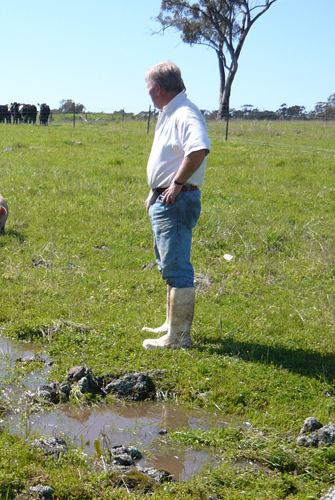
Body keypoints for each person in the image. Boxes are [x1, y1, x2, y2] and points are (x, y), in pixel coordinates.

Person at [141, 61, 210, 350]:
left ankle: (180, 338)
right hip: (165, 198)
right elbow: (171, 156)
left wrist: (176, 184)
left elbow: (199, 148)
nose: (147, 94)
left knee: (177, 267)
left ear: (158, 88)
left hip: (177, 200)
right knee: (168, 264)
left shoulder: (185, 112)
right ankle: (172, 324)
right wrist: (155, 190)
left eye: (148, 89)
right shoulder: (171, 112)